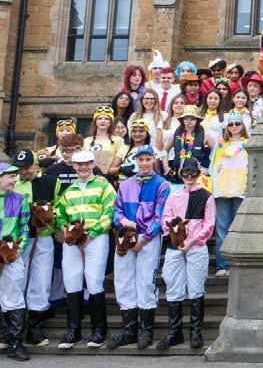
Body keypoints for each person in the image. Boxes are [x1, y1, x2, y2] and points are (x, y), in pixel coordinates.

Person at [108, 146, 169, 350]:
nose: (144, 163)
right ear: (136, 160)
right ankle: (129, 330)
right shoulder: (125, 184)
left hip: (147, 238)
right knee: (123, 279)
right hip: (125, 237)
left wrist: (144, 239)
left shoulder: (162, 185)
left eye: (147, 159)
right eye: (140, 159)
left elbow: (160, 216)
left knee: (145, 280)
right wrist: (124, 221)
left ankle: (146, 330)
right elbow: (117, 210)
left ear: (153, 159)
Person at [54, 150, 116, 349]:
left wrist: (93, 233)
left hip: (95, 238)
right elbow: (59, 213)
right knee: (71, 279)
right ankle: (73, 330)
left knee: (94, 279)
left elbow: (110, 211)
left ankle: (99, 331)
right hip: (73, 239)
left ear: (92, 164)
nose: (83, 168)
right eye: (79, 165)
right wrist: (66, 230)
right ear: (74, 166)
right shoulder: (69, 190)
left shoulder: (104, 186)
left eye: (87, 164)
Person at [157, 157, 215, 350]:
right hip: (175, 246)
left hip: (196, 246)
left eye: (193, 172)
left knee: (196, 287)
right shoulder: (173, 196)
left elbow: (209, 224)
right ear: (181, 174)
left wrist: (191, 240)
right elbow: (166, 218)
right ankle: (175, 333)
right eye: (186, 173)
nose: (189, 176)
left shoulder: (207, 197)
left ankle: (195, 332)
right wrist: (175, 233)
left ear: (198, 174)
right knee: (173, 285)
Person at [11, 150, 55, 349]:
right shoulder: (12, 183)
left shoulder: (50, 182)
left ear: (36, 164)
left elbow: (59, 206)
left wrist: (50, 221)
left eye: (27, 167)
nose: (23, 171)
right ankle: (13, 329)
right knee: (17, 281)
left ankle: (34, 327)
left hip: (43, 239)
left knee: (41, 281)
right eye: (20, 168)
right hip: (18, 240)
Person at [211, 115, 250, 278]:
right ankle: (222, 264)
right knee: (222, 229)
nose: (234, 126)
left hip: (241, 190)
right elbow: (213, 166)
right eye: (231, 124)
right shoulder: (220, 144)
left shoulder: (249, 143)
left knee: (239, 229)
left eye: (237, 123)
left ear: (243, 125)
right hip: (222, 190)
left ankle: (237, 264)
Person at [0, 161, 31, 361]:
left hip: (11, 255)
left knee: (13, 296)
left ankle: (16, 344)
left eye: (15, 176)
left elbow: (25, 228)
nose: (15, 179)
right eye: (11, 176)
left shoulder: (20, 199)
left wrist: (17, 250)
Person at [166, 106, 209, 184]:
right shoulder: (176, 134)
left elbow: (216, 153)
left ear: (197, 120)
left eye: (192, 118)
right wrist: (166, 167)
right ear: (182, 120)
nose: (189, 120)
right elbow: (164, 151)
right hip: (177, 175)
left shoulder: (206, 135)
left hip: (196, 176)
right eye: (186, 118)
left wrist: (207, 170)